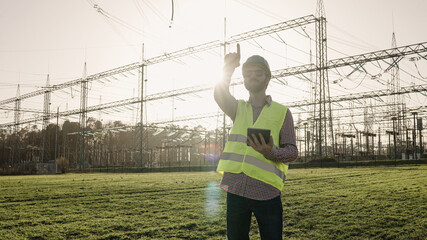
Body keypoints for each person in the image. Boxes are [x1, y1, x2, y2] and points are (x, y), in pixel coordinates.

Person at [214, 43, 298, 240]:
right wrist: (228, 68)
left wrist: (271, 152)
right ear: (243, 80)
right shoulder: (238, 109)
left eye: (258, 73)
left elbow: (292, 151)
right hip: (235, 188)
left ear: (267, 78)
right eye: (248, 73)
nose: (252, 76)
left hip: (266, 193)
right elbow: (219, 94)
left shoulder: (283, 113)